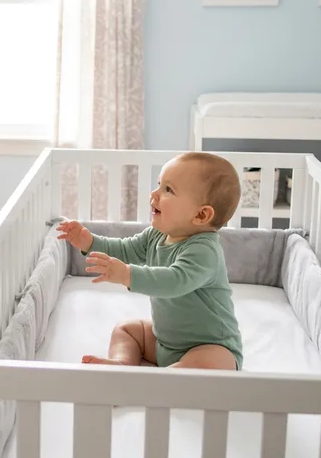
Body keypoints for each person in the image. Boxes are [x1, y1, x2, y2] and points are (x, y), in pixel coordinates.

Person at [56, 152, 244, 371]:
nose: (154, 194)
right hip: (164, 342)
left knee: (212, 361)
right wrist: (89, 242)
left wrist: (126, 274)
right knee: (127, 329)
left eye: (168, 190)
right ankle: (122, 364)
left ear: (201, 215)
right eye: (159, 185)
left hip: (209, 347)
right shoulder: (156, 235)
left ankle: (160, 382)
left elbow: (174, 281)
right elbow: (125, 249)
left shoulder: (204, 250)